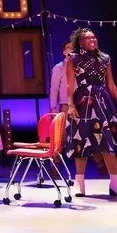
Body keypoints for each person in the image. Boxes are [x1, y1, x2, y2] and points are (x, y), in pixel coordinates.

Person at [65, 27, 117, 197]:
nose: (93, 40)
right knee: (81, 143)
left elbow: (111, 85)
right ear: (80, 41)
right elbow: (69, 85)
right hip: (82, 101)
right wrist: (70, 105)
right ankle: (80, 185)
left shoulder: (105, 58)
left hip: (102, 102)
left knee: (108, 144)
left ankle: (115, 184)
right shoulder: (73, 59)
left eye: (94, 37)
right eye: (88, 38)